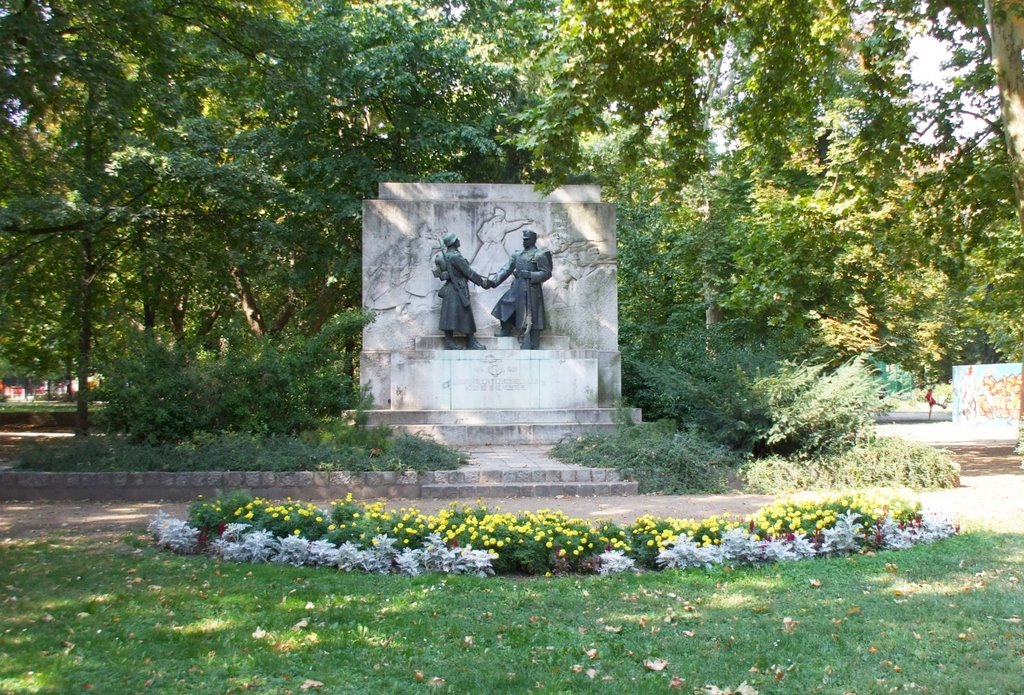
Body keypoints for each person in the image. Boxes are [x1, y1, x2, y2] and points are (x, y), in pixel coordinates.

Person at [489, 229, 553, 350]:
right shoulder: (517, 254)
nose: (524, 242)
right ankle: (506, 329)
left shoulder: (539, 255)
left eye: (527, 240)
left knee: (533, 315)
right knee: (504, 304)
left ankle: (533, 342)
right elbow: (506, 269)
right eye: (524, 240)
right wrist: (493, 281)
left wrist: (530, 275)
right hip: (517, 286)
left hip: (531, 287)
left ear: (533, 240)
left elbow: (547, 273)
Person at [433, 232, 492, 350]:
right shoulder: (455, 256)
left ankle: (456, 340)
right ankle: (468, 341)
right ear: (454, 242)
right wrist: (483, 283)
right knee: (464, 314)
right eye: (457, 239)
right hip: (457, 288)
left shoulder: (446, 256)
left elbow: (440, 274)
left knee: (451, 314)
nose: (459, 240)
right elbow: (469, 273)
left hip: (452, 288)